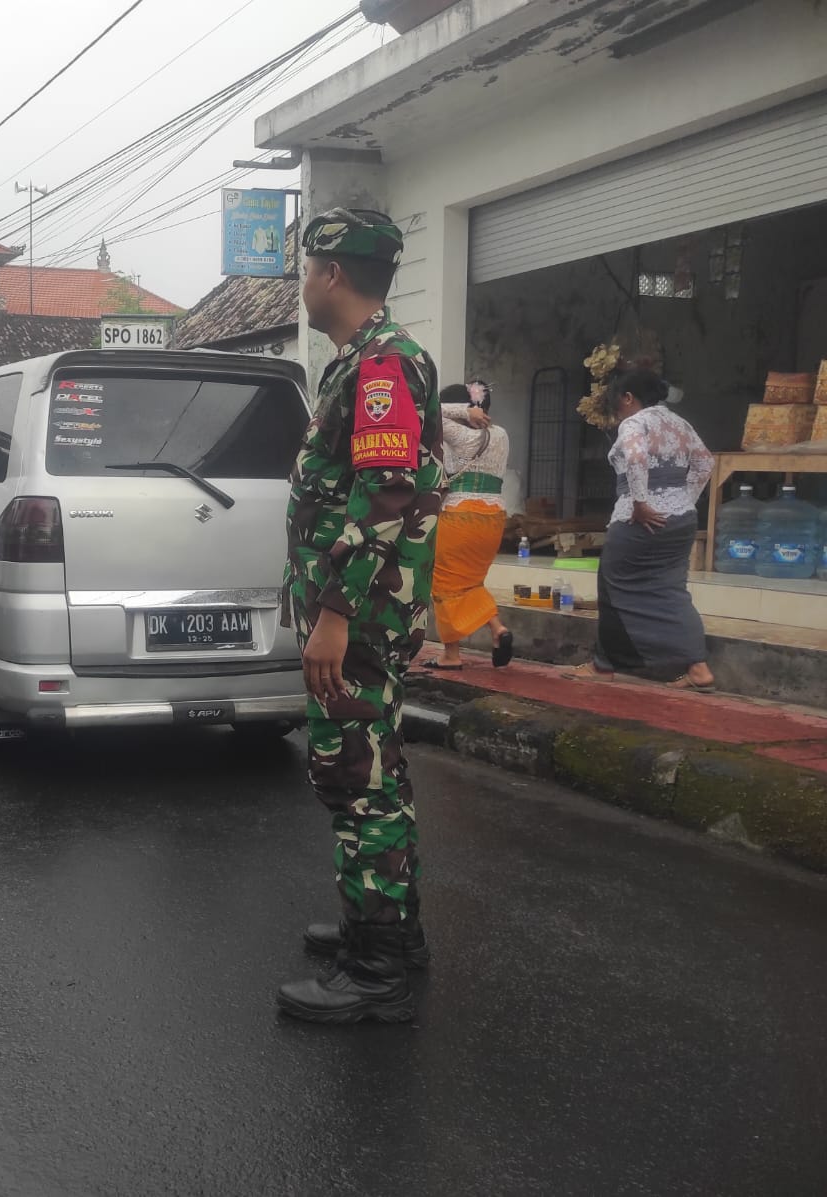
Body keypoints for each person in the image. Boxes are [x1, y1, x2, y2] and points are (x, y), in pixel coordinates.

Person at [275, 208, 445, 1024]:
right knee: (375, 769)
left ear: (333, 273)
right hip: (362, 609)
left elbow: (387, 494)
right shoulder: (361, 362)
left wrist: (335, 612)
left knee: (356, 777)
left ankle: (378, 970)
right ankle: (384, 932)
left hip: (362, 616)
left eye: (308, 267)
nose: (302, 283)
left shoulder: (381, 367)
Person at [565, 369, 716, 690]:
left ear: (629, 398)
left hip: (639, 520)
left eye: (617, 404)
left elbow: (636, 458)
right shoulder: (680, 423)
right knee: (672, 590)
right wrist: (682, 500)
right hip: (681, 519)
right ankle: (698, 668)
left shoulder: (635, 423)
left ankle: (604, 665)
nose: (617, 413)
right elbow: (705, 463)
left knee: (612, 588)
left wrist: (641, 502)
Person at [423, 380, 514, 670]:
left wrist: (463, 411)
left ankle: (451, 655)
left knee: (445, 583)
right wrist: (471, 409)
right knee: (470, 581)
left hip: (460, 516)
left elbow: (427, 411)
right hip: (494, 517)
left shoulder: (459, 436)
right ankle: (498, 630)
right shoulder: (500, 434)